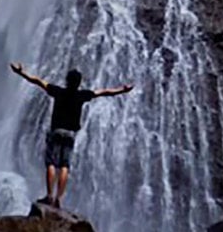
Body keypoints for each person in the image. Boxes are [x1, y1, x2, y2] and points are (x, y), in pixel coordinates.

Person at [10, 62, 134, 208]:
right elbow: (104, 92)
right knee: (64, 165)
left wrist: (21, 72)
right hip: (70, 134)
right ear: (79, 83)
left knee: (50, 163)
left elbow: (38, 81)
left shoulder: (58, 91)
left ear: (67, 80)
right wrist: (122, 90)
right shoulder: (82, 95)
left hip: (56, 131)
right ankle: (58, 198)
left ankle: (49, 196)